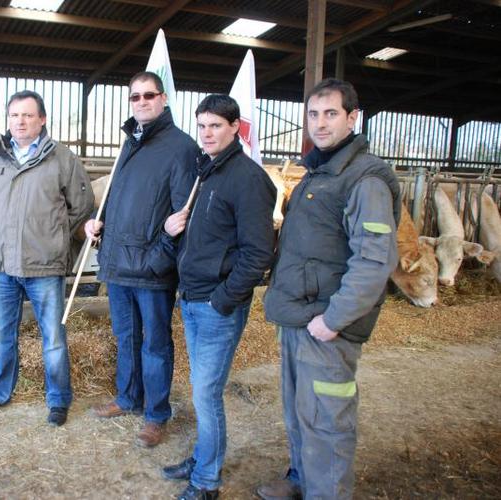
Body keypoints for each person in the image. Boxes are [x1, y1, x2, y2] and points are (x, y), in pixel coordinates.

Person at [259, 78, 401, 499]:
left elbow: (375, 261)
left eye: (331, 114)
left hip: (325, 326)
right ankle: (302, 479)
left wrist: (333, 319)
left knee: (327, 422)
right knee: (301, 412)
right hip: (298, 317)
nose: (320, 124)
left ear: (352, 117)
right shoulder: (319, 171)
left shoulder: (364, 178)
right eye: (313, 114)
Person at [160, 95, 276, 500]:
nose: (206, 134)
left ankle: (207, 481)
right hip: (192, 298)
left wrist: (224, 298)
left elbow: (259, 251)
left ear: (235, 128)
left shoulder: (248, 178)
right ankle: (201, 457)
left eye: (215, 126)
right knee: (200, 389)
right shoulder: (205, 173)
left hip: (215, 305)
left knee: (206, 395)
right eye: (202, 126)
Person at [84, 71, 198, 447]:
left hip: (152, 270)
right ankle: (128, 397)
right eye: (135, 96)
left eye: (149, 95)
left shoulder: (181, 147)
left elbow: (183, 214)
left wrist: (160, 258)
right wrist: (100, 225)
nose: (142, 101)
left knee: (156, 345)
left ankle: (156, 414)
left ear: (163, 99)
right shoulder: (129, 143)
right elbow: (120, 199)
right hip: (118, 264)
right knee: (126, 337)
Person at [0, 90, 94, 427]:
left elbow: (82, 205)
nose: (19, 122)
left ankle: (57, 399)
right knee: (1, 336)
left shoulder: (62, 159)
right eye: (14, 116)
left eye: (27, 115)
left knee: (53, 337)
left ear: (42, 119)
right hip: (0, 266)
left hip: (44, 265)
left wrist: (52, 232)